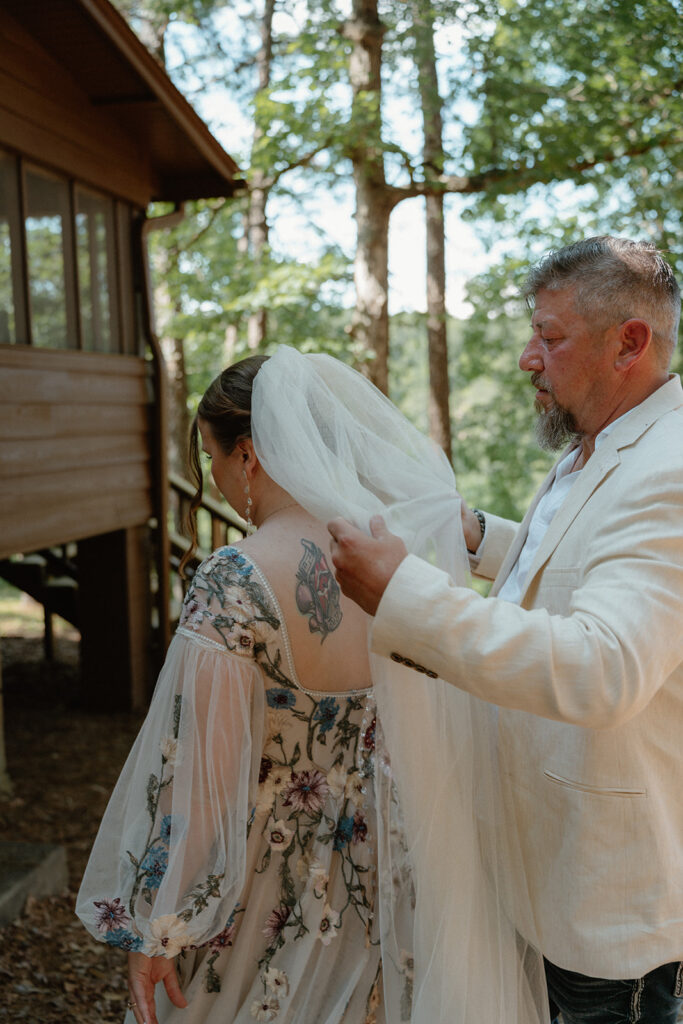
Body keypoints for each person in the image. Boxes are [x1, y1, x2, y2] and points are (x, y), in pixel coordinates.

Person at [76, 347, 548, 1024]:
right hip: (401, 875)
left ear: (249, 456)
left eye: (210, 456)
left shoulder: (234, 578)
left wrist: (162, 924)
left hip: (275, 889)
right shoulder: (400, 557)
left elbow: (201, 783)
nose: (212, 475)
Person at [328, 236, 683, 1024]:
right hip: (540, 872)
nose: (528, 358)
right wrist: (480, 538)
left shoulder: (672, 467)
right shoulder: (594, 446)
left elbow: (603, 666)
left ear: (630, 342)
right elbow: (581, 557)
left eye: (549, 337)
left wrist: (401, 593)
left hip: (607, 900)